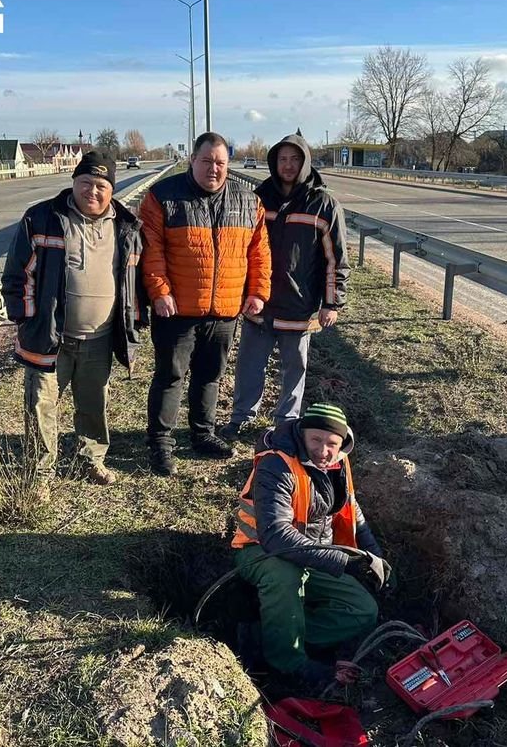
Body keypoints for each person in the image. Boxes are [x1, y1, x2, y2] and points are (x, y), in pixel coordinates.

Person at [1, 151, 148, 486]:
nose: (91, 191)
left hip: (101, 337)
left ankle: (91, 460)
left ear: (111, 189)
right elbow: (17, 275)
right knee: (41, 408)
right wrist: (26, 319)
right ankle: (40, 477)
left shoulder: (126, 227)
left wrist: (133, 321)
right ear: (73, 183)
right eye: (85, 183)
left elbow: (134, 281)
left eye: (100, 185)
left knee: (94, 404)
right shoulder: (41, 218)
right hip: (51, 338)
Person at [140, 131, 272, 476]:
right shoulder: (163, 198)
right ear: (191, 161)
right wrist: (159, 291)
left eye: (221, 162)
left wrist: (258, 292)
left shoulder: (248, 201)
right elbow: (151, 251)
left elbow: (259, 252)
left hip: (225, 309)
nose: (214, 168)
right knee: (170, 376)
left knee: (210, 376)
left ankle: (202, 435)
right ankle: (161, 445)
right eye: (206, 161)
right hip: (176, 309)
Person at [230, 403, 392, 683]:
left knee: (363, 610)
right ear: (302, 433)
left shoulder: (337, 463)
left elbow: (353, 514)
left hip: (312, 555)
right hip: (259, 551)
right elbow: (275, 534)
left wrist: (377, 561)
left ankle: (264, 637)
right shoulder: (277, 464)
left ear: (342, 444)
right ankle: (289, 663)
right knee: (285, 574)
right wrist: (343, 561)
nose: (323, 450)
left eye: (332, 443)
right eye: (316, 439)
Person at [220, 134, 349, 441]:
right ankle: (241, 417)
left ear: (305, 162)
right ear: (274, 162)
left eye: (295, 159)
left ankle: (286, 422)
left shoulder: (324, 204)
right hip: (259, 303)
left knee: (295, 369)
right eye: (282, 159)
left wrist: (331, 303)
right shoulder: (259, 198)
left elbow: (335, 260)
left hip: (299, 305)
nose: (288, 166)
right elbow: (242, 247)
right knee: (249, 365)